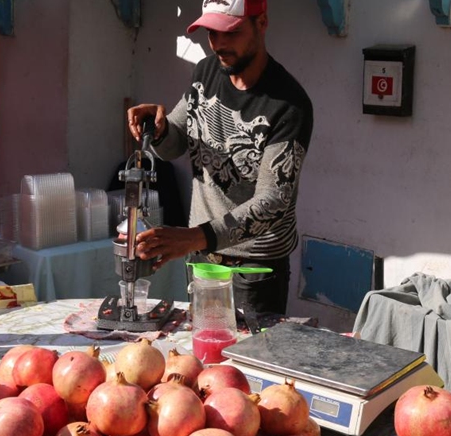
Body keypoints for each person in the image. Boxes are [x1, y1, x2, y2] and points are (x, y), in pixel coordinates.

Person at [127, 0, 313, 315]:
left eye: (232, 32)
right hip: (202, 258)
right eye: (212, 33)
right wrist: (158, 129)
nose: (219, 44)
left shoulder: (289, 105)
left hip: (254, 270)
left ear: (262, 23)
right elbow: (176, 142)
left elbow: (272, 202)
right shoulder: (207, 72)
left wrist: (193, 238)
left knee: (246, 362)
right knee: (201, 354)